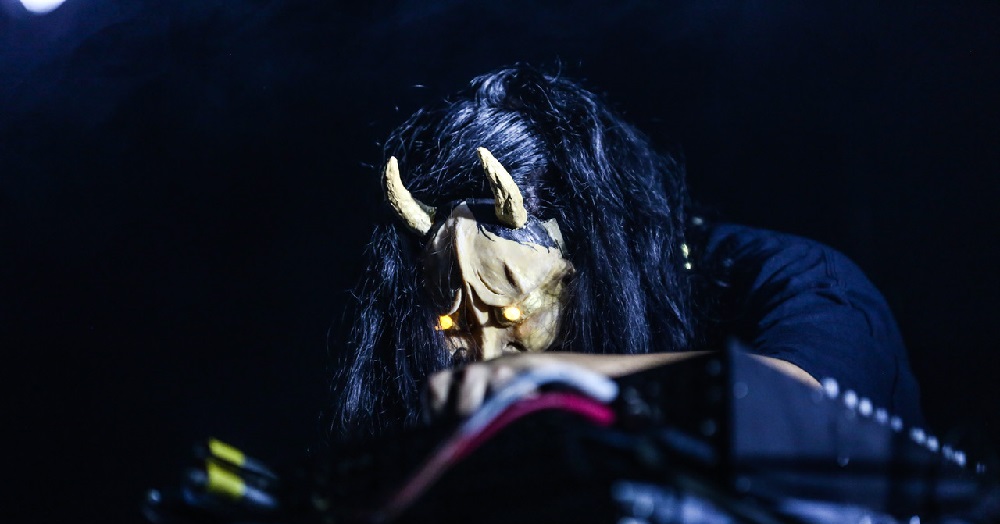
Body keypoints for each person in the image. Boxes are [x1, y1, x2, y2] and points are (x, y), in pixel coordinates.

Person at [329, 63, 924, 443]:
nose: (484, 360)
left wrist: (548, 378)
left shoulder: (800, 281)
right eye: (452, 325)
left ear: (591, 266)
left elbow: (806, 407)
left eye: (512, 316)